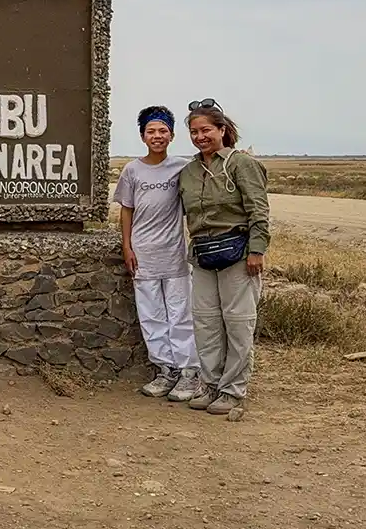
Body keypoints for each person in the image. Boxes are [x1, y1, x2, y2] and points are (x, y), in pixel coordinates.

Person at [178, 99, 270, 417]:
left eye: (206, 130)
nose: (200, 136)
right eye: (194, 131)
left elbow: (258, 209)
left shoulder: (241, 165)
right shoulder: (188, 172)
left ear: (222, 130)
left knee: (238, 323)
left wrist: (257, 250)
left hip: (238, 254)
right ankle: (210, 384)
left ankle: (233, 390)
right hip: (203, 255)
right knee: (205, 323)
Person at [114, 106, 200, 402]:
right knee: (151, 315)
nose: (157, 136)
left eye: (162, 131)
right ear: (142, 136)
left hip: (174, 255)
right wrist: (127, 246)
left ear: (172, 135)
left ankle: (189, 373)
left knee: (180, 314)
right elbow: (127, 210)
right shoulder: (132, 170)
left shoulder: (182, 167)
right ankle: (166, 371)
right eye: (151, 131)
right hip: (143, 255)